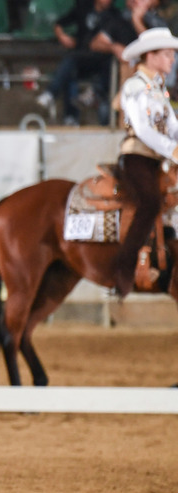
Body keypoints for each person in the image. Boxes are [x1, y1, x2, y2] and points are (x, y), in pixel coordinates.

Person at [113, 27, 178, 295]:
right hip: (137, 158)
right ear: (150, 56)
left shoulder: (158, 88)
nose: (172, 60)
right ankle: (124, 269)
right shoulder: (135, 86)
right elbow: (142, 129)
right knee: (150, 203)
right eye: (167, 54)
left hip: (155, 158)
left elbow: (172, 125)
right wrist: (173, 150)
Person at [35, 0, 122, 126]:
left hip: (101, 61)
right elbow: (60, 22)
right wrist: (62, 36)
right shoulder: (83, 7)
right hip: (81, 57)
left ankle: (91, 94)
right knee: (70, 70)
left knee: (106, 64)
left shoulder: (115, 15)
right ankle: (67, 113)